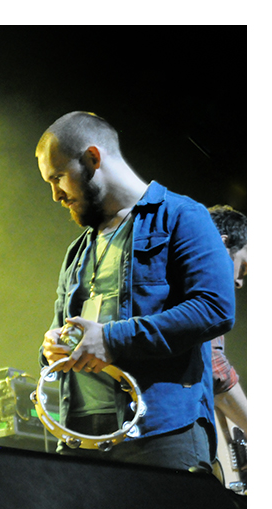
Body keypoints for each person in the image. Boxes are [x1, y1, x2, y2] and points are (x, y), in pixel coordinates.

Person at [36, 111, 235, 471]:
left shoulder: (182, 215)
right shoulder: (77, 251)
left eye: (59, 177)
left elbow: (215, 308)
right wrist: (52, 346)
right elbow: (64, 330)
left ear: (93, 159)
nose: (55, 195)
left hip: (161, 435)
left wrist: (111, 339)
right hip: (80, 437)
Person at [208, 205, 247, 435]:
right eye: (243, 266)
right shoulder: (203, 293)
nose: (239, 283)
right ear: (222, 243)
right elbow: (215, 373)